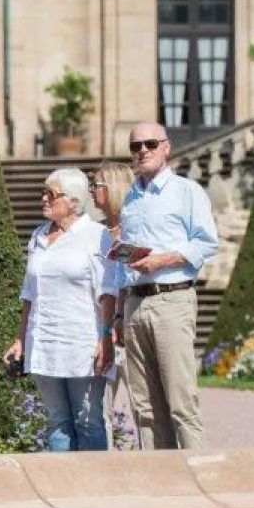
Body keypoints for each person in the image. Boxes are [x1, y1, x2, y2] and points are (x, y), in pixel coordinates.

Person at [117, 122, 219, 450]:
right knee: (144, 408)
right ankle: (159, 475)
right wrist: (119, 313)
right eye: (135, 146)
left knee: (181, 401)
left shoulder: (186, 191)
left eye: (150, 144)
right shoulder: (130, 197)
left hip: (171, 300)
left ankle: (199, 472)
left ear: (166, 147)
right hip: (135, 303)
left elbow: (206, 243)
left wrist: (161, 261)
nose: (142, 151)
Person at [3, 169, 116, 452]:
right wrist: (20, 339)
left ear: (73, 201)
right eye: (43, 192)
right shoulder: (38, 236)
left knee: (88, 421)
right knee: (57, 421)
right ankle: (61, 478)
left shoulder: (97, 236)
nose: (44, 198)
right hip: (43, 341)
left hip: (81, 344)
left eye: (51, 194)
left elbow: (107, 293)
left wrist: (105, 338)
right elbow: (29, 294)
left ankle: (94, 478)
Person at [90, 161, 137, 444]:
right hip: (99, 326)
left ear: (113, 188)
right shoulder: (94, 232)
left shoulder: (133, 230)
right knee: (99, 408)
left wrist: (119, 319)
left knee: (141, 403)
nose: (91, 191)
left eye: (96, 185)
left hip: (128, 322)